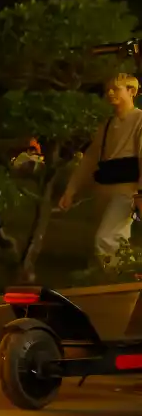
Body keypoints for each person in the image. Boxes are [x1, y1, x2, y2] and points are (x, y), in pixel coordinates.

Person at [58, 73, 142, 271]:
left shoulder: (139, 120)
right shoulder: (106, 126)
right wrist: (71, 190)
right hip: (105, 187)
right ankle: (122, 279)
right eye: (108, 90)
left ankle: (118, 281)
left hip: (127, 190)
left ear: (131, 91)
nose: (110, 93)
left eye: (116, 89)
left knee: (106, 238)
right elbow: (89, 160)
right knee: (112, 240)